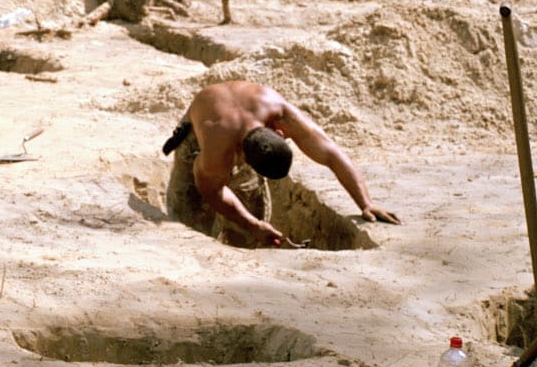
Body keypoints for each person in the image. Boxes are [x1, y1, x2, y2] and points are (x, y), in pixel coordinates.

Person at [162, 80, 400, 247]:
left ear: (278, 131)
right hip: (196, 135)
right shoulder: (217, 147)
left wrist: (365, 203)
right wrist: (254, 225)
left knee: (247, 221)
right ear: (243, 158)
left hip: (241, 119)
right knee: (190, 222)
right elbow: (212, 191)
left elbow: (330, 152)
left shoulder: (278, 110)